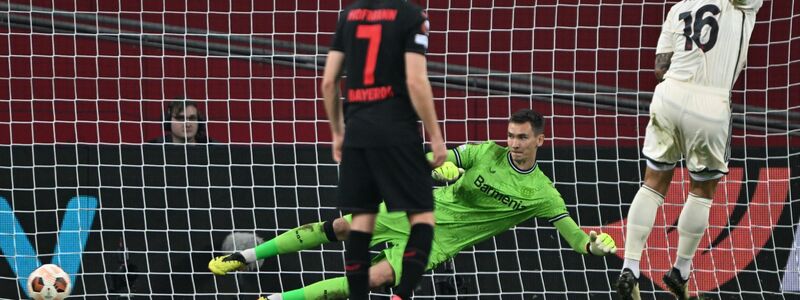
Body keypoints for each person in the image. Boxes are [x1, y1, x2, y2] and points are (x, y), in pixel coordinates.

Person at [208, 109, 618, 300]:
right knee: (340, 228)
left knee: (371, 279)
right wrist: (438, 171)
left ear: (539, 141)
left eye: (522, 137)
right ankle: (244, 256)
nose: (512, 143)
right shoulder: (485, 152)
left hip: (439, 242)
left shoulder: (543, 194)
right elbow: (430, 163)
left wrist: (592, 246)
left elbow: (575, 237)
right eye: (510, 135)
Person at [615, 1, 763, 299]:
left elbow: (660, 67)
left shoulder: (679, 7)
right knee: (702, 190)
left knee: (653, 184)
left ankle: (630, 266)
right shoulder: (740, 4)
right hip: (710, 102)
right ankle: (680, 271)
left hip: (668, 95)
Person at [316, 1, 446, 299]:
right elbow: (415, 80)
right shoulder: (412, 16)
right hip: (397, 131)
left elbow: (328, 83)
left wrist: (338, 132)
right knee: (423, 220)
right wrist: (436, 136)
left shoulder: (348, 15)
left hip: (357, 133)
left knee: (361, 222)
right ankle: (401, 295)